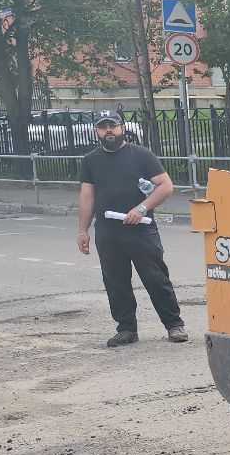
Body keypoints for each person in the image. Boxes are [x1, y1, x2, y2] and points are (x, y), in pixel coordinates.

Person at [76, 111, 187, 347]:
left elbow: (166, 185)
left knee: (156, 278)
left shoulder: (141, 155)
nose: (108, 130)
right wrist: (83, 230)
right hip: (108, 231)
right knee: (115, 282)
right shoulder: (91, 160)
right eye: (103, 126)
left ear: (122, 128)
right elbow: (87, 196)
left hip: (141, 229)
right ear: (96, 131)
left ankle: (174, 324)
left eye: (112, 125)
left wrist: (142, 208)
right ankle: (126, 329)